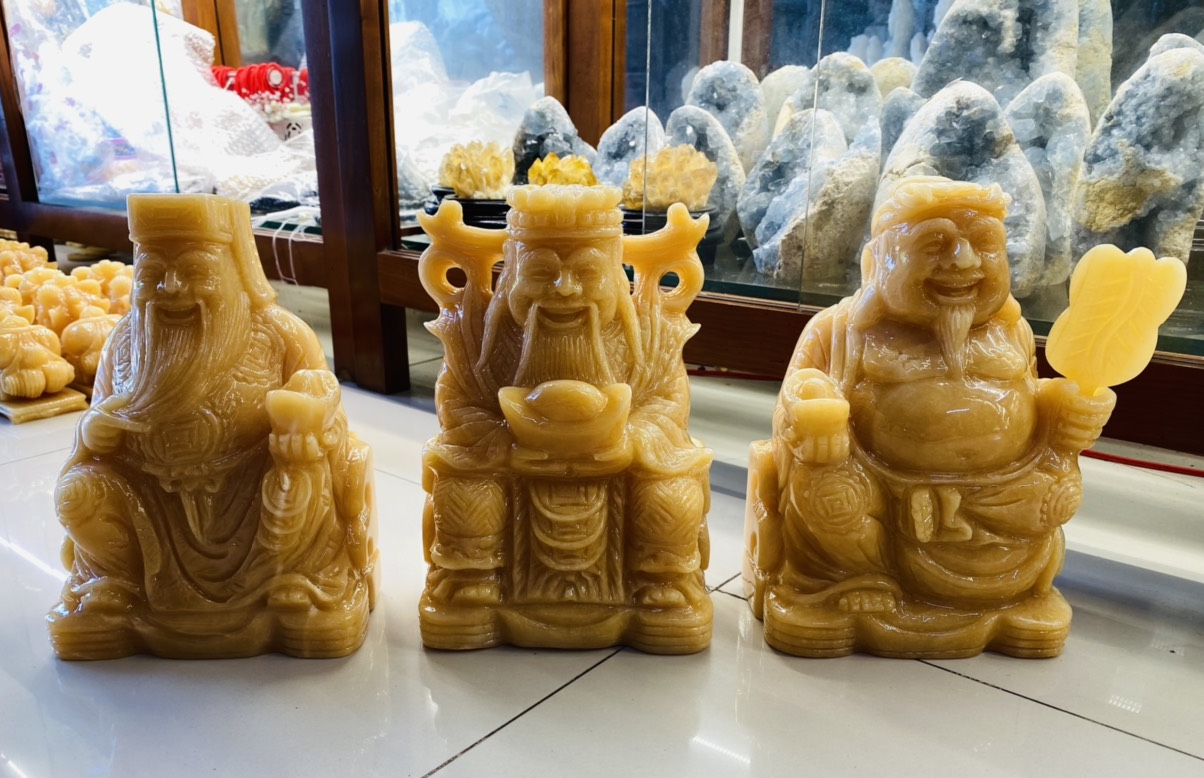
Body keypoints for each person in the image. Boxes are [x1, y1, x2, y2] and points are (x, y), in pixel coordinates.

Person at [745, 176, 1114, 658]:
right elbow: (795, 398)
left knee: (1056, 493)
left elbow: (1033, 392)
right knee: (829, 492)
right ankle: (852, 583)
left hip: (1001, 497)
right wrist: (814, 411)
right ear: (877, 262)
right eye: (934, 245)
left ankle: (1012, 591)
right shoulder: (838, 330)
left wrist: (1064, 408)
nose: (963, 261)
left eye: (984, 244)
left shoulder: (1013, 332)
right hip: (881, 502)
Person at [48, 194, 375, 659]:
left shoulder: (280, 334)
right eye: (152, 274)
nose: (172, 288)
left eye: (196, 271)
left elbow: (327, 407)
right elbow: (96, 415)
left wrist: (306, 421)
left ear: (235, 270)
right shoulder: (123, 342)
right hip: (149, 501)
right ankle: (115, 583)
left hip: (251, 495)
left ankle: (294, 579)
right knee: (78, 493)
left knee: (303, 476)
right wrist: (92, 431)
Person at [418, 185, 712, 652]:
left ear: (615, 274)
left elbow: (667, 403)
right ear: (512, 273)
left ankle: (662, 588)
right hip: (510, 459)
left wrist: (631, 440)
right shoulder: (473, 330)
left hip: (619, 462)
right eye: (540, 273)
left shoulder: (652, 329)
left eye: (588, 273)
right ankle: (471, 583)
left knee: (670, 495)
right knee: (466, 489)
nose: (564, 289)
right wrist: (504, 441)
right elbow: (457, 404)